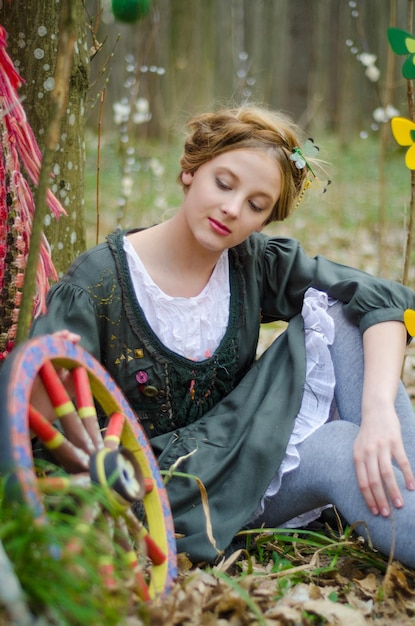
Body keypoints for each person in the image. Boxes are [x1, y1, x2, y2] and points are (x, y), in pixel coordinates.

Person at [31, 104, 415, 567]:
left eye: (256, 205)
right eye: (224, 183)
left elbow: (383, 299)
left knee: (346, 315)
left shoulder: (251, 261)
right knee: (338, 446)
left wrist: (377, 415)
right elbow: (38, 423)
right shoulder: (97, 284)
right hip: (167, 492)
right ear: (191, 169)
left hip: (245, 453)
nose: (232, 209)